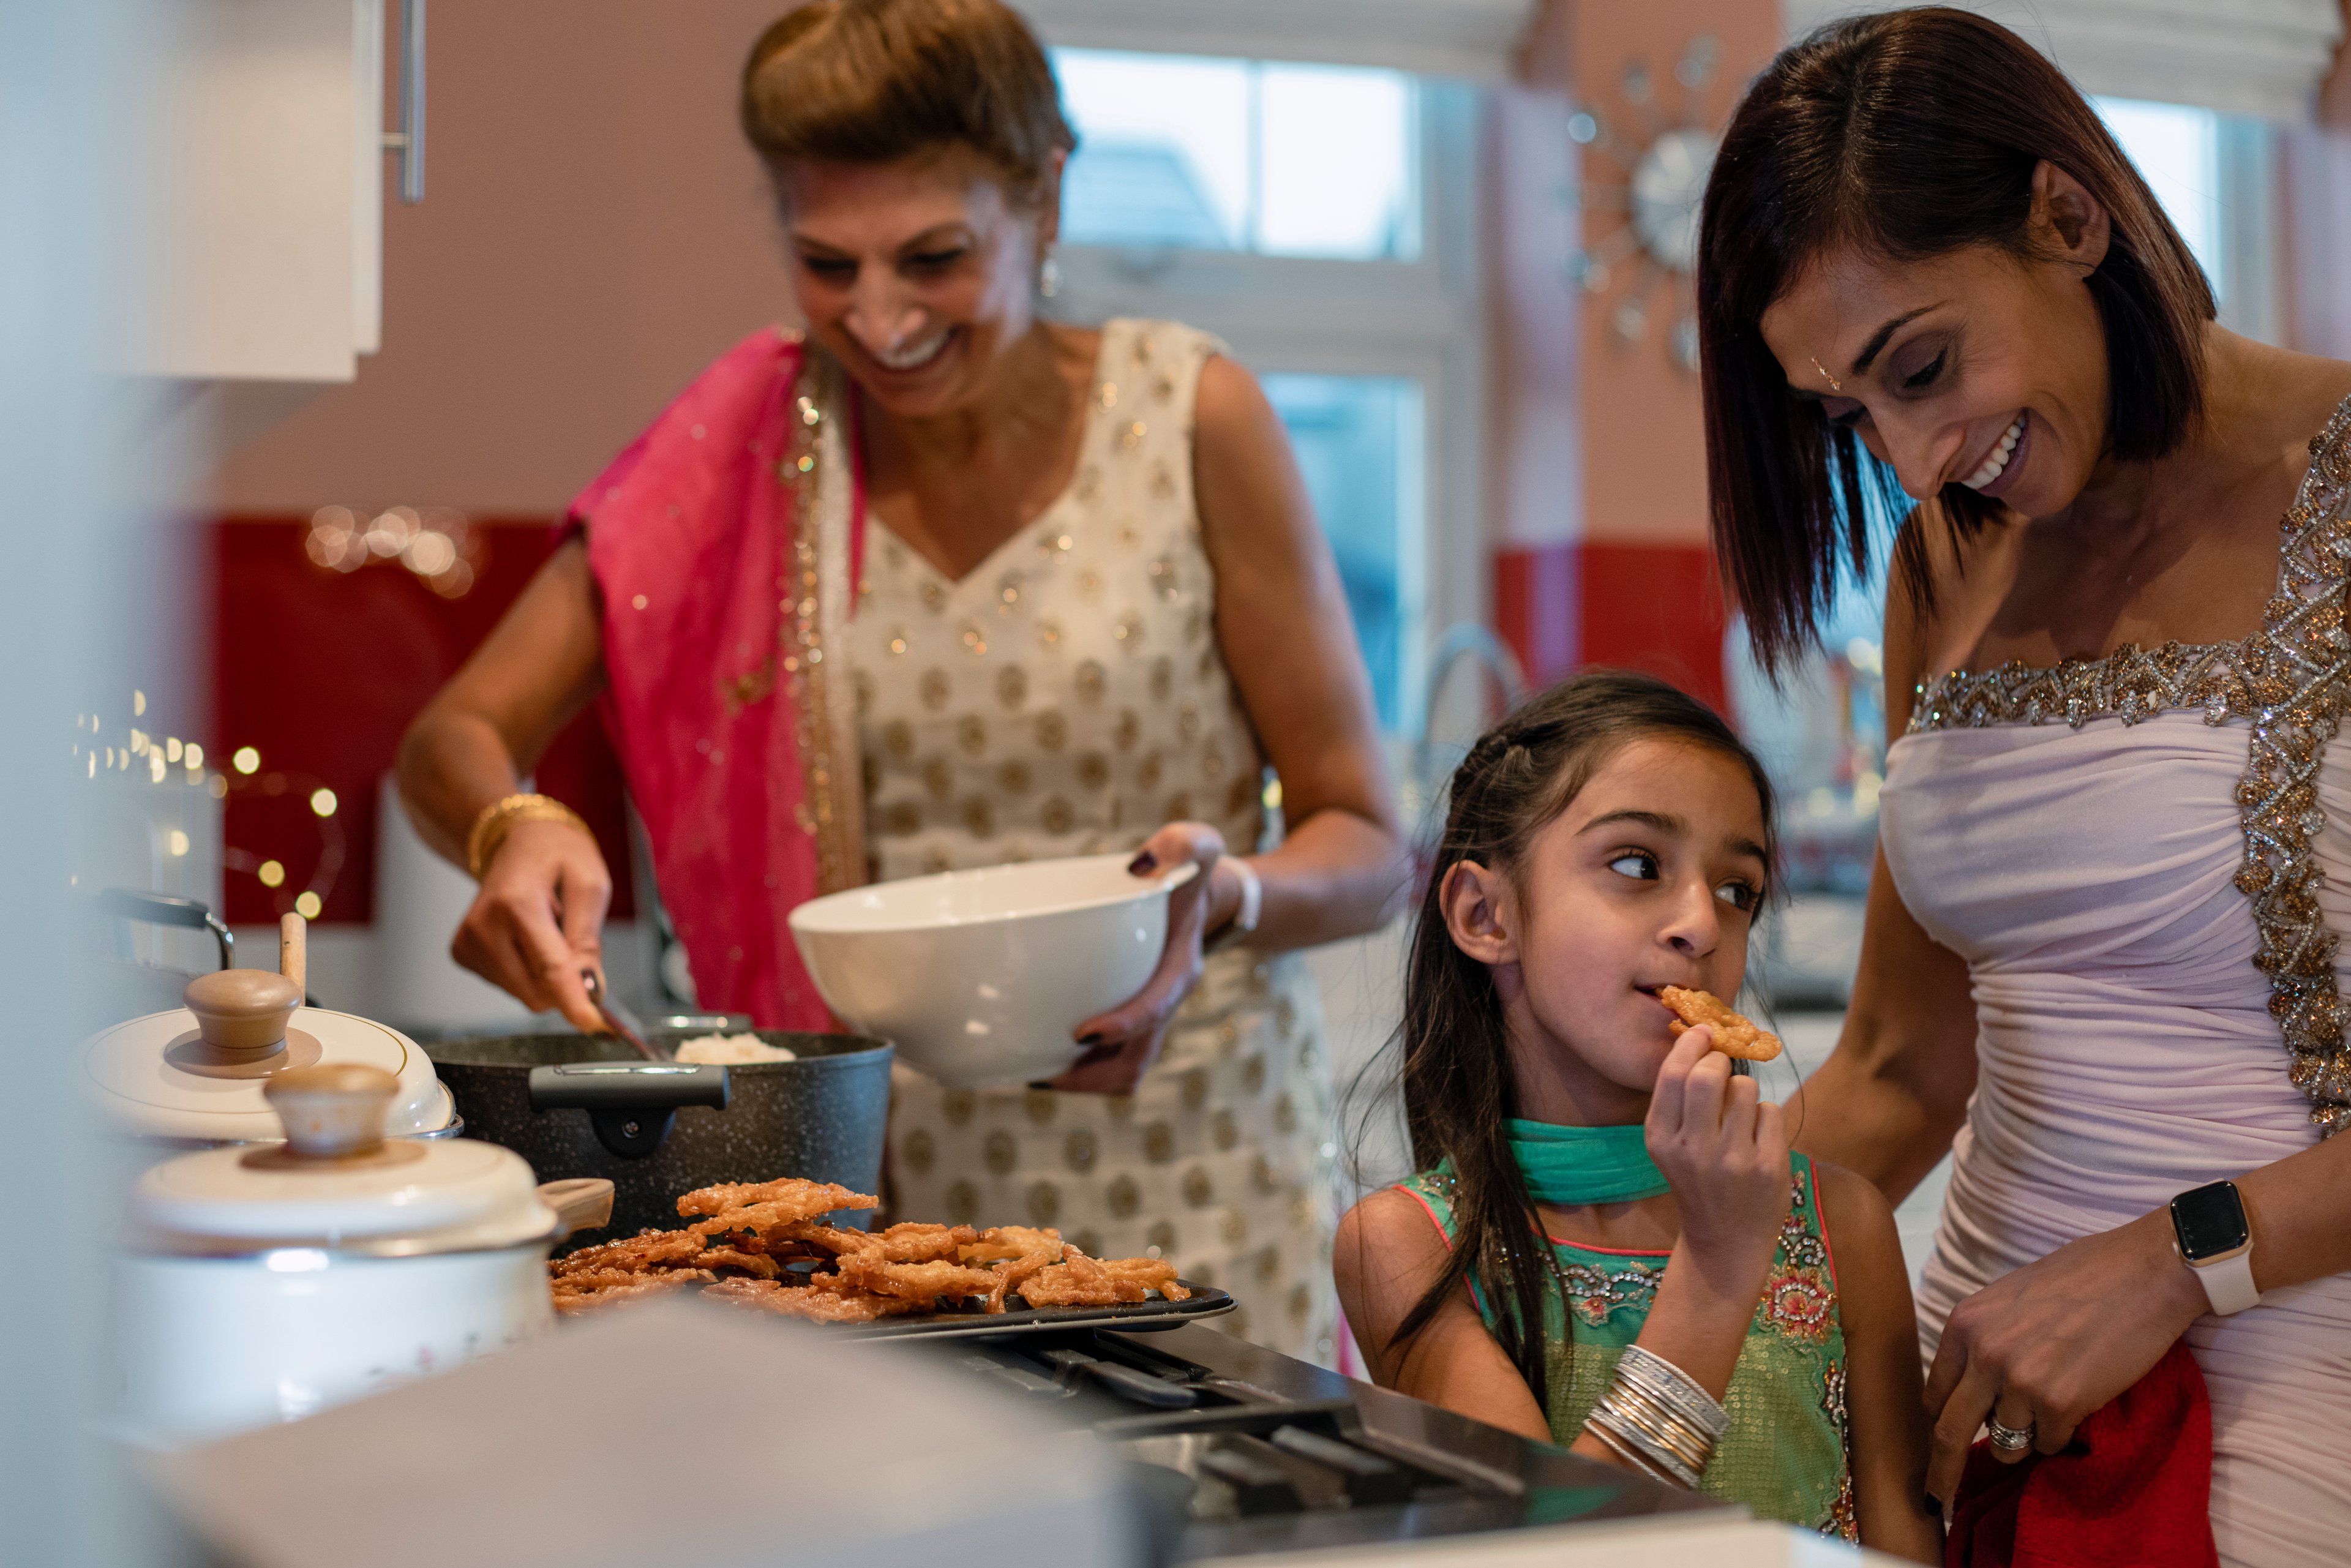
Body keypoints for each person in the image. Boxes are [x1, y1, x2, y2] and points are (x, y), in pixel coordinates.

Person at [396, 0, 1405, 1360]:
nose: (877, 317)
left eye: (935, 256)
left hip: (1199, 1174)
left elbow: (1369, 842)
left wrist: (1222, 899)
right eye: (825, 262)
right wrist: (516, 826)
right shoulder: (749, 446)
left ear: (1043, 196)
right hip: (870, 1206)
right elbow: (453, 733)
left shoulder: (1191, 418)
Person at [1697, 8, 2351, 1561]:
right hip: (1987, 1386)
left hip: (2304, 1374)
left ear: (2070, 216)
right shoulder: (1950, 561)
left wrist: (2176, 1261)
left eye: (1920, 365)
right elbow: (1904, 1072)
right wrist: (1610, 1259)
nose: (1915, 462)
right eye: (1852, 415)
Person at [1334, 672, 1936, 1558]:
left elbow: (1904, 1539)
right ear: (1484, 912)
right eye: (1637, 864)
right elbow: (1554, 1557)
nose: (1701, 922)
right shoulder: (1405, 1245)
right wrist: (1722, 1269)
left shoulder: (1843, 1223)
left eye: (1740, 889)